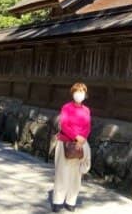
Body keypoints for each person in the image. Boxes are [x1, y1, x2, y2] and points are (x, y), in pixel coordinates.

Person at [52, 82, 91, 212]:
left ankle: (71, 201)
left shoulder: (86, 110)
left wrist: (82, 139)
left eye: (82, 92)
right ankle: (58, 200)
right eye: (77, 91)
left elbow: (87, 127)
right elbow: (64, 125)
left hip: (80, 145)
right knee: (62, 173)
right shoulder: (66, 107)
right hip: (65, 142)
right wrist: (76, 137)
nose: (79, 94)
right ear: (72, 93)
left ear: (85, 95)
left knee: (76, 174)